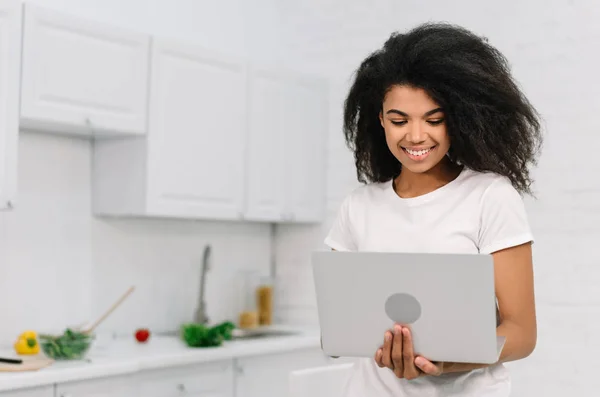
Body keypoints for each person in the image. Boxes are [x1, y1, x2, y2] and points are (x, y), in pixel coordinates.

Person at [324, 22, 541, 397]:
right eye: (399, 120)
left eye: (434, 119)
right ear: (380, 119)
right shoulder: (357, 207)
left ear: (457, 118)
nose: (416, 136)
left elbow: (521, 334)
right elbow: (338, 328)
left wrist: (449, 361)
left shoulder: (489, 196)